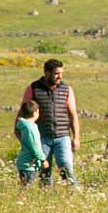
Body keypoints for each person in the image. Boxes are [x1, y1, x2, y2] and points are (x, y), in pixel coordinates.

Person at [19, 59, 80, 187]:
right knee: (44, 171)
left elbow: (73, 114)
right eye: (56, 73)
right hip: (42, 137)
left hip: (63, 136)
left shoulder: (67, 89)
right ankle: (45, 196)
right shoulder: (33, 88)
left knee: (66, 168)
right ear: (46, 73)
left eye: (61, 73)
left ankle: (73, 194)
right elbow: (23, 112)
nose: (60, 76)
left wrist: (76, 138)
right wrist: (22, 137)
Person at [14, 99, 45, 185]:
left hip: (24, 162)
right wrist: (43, 159)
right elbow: (34, 146)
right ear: (35, 113)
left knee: (24, 186)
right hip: (28, 165)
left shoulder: (25, 126)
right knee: (27, 187)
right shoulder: (30, 129)